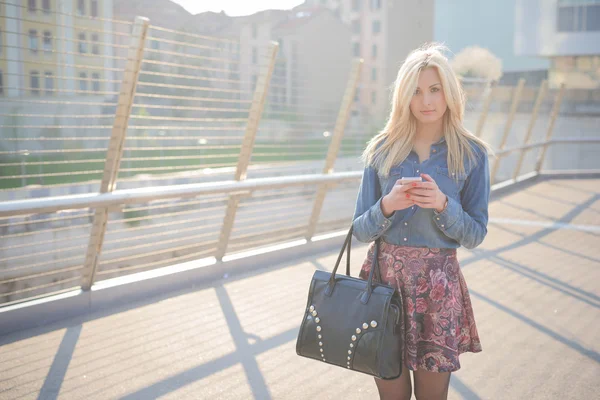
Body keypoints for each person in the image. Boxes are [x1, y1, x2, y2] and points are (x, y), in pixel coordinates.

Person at [352, 43, 492, 400]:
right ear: (403, 96)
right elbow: (358, 230)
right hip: (382, 288)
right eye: (415, 91)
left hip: (437, 290)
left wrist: (445, 205)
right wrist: (386, 206)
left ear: (449, 92)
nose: (426, 100)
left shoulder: (472, 153)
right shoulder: (382, 150)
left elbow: (475, 234)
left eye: (434, 89)